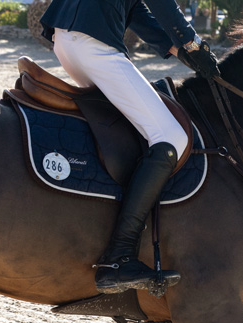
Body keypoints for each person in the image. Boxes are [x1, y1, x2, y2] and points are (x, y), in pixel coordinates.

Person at [40, 0, 221, 294]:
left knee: (135, 121)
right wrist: (194, 44)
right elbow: (162, 6)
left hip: (67, 40)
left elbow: (136, 12)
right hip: (93, 45)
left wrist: (181, 53)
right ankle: (119, 256)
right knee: (171, 138)